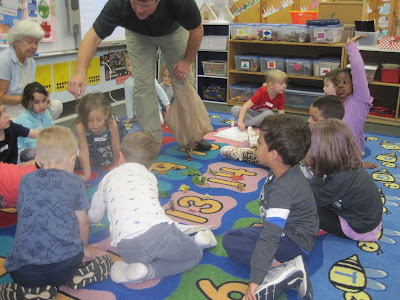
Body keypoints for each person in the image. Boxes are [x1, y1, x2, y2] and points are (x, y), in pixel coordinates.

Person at [67, 0, 211, 151]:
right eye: (135, 4)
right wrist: (80, 71)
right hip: (138, 34)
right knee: (142, 85)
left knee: (183, 81)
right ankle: (151, 140)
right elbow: (94, 35)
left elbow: (197, 30)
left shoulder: (180, 2)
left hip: (172, 31)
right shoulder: (118, 3)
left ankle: (193, 136)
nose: (140, 10)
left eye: (146, 5)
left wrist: (187, 61)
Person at [88, 131, 217, 284]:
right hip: (158, 235)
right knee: (195, 256)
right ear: (151, 167)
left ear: (121, 156)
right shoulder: (150, 177)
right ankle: (152, 270)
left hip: (126, 248)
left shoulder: (107, 178)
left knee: (156, 248)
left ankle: (138, 268)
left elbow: (94, 217)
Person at [0, 126, 112, 300]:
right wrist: (84, 248)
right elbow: (82, 222)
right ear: (72, 159)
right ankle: (71, 278)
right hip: (64, 266)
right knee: (99, 261)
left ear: (37, 159)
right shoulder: (75, 182)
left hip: (22, 271)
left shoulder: (25, 181)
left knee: (21, 257)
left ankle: (31, 291)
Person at [222, 115, 318, 300]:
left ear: (274, 155)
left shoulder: (283, 190)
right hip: (292, 233)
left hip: (294, 243)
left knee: (233, 242)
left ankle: (287, 270)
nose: (255, 145)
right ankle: (285, 265)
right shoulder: (284, 171)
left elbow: (270, 238)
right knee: (235, 237)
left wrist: (255, 280)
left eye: (259, 143)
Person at [304, 119, 383, 241]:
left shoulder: (341, 177)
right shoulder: (341, 165)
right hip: (363, 216)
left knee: (305, 208)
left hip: (359, 227)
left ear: (324, 154)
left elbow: (316, 200)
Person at [221, 95, 344, 166]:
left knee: (272, 157)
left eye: (314, 118)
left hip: (295, 165)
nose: (309, 121)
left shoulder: (333, 143)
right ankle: (258, 143)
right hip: (295, 157)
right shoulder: (311, 131)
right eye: (310, 116)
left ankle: (244, 153)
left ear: (330, 122)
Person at [0, 20, 62, 121]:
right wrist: (29, 100)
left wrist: (41, 96)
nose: (34, 47)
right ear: (16, 41)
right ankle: (33, 128)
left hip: (27, 102)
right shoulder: (4, 60)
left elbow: (30, 89)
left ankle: (34, 127)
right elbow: (1, 97)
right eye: (29, 42)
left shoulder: (31, 61)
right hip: (9, 107)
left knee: (57, 106)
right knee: (26, 120)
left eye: (36, 43)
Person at [336, 35, 379, 169]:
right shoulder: (337, 102)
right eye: (337, 84)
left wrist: (351, 48)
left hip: (350, 152)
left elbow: (358, 70)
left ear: (355, 84)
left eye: (345, 82)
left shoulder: (360, 99)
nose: (340, 86)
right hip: (335, 148)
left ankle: (358, 163)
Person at [75, 93, 122, 181]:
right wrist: (87, 175)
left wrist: (116, 165)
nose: (95, 124)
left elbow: (116, 146)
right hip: (94, 143)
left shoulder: (111, 123)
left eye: (99, 120)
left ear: (106, 115)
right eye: (89, 120)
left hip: (112, 142)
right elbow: (84, 150)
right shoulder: (80, 125)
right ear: (83, 117)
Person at [123, 54, 170, 125]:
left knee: (160, 122)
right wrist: (130, 116)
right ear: (126, 67)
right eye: (129, 65)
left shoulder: (149, 76)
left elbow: (160, 90)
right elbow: (129, 100)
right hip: (140, 111)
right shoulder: (128, 83)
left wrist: (167, 104)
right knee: (145, 125)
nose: (133, 67)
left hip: (154, 108)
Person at [15, 82, 54, 161]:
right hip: (24, 151)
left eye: (44, 100)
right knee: (33, 154)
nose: (42, 105)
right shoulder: (24, 119)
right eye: (36, 102)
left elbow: (52, 130)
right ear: (28, 103)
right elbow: (31, 144)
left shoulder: (44, 112)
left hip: (41, 144)